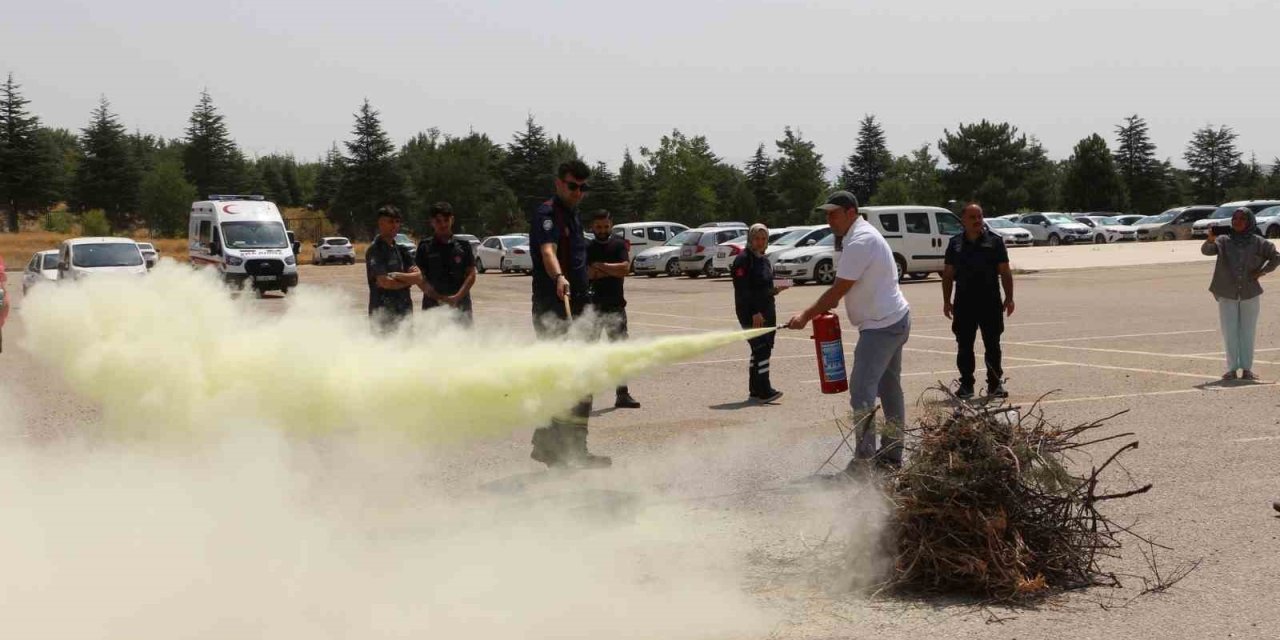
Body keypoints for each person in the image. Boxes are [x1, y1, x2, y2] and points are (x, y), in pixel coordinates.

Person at [786, 191, 911, 471]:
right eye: (827, 214)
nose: (829, 220)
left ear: (851, 212)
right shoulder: (855, 238)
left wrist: (806, 315)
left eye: (834, 213)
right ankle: (891, 456)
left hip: (883, 327)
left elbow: (838, 291)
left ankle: (865, 461)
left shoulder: (861, 240)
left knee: (861, 391)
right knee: (889, 390)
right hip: (893, 320)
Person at [528, 160, 611, 468]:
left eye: (582, 187)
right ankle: (556, 448)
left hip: (578, 307)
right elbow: (548, 251)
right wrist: (559, 277)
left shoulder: (574, 217)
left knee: (580, 381)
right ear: (559, 184)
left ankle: (564, 448)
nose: (578, 192)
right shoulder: (547, 214)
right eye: (573, 185)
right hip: (553, 307)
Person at [941, 203, 1015, 399]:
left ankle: (994, 384)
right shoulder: (955, 243)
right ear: (963, 220)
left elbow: (1005, 271)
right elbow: (948, 274)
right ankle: (966, 385)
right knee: (964, 345)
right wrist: (947, 301)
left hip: (990, 302)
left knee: (993, 344)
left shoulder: (995, 242)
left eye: (979, 216)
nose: (977, 221)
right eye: (972, 217)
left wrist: (1009, 297)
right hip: (964, 303)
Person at [1202, 207, 1280, 381]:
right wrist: (1210, 238)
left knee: (1247, 331)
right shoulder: (1223, 240)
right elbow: (1207, 251)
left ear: (1250, 221)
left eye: (1242, 218)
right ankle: (1231, 369)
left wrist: (1261, 272)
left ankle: (1247, 369)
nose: (1237, 221)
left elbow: (1276, 257)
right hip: (1226, 292)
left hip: (1250, 292)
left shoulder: (1258, 242)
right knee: (1229, 331)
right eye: (1235, 218)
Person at [587, 210, 641, 409]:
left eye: (606, 226)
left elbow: (625, 269)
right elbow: (586, 274)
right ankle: (586, 397)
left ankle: (622, 394)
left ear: (612, 225)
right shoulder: (587, 246)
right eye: (598, 227)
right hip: (591, 309)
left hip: (615, 307)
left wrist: (600, 266)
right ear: (592, 227)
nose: (602, 230)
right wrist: (611, 270)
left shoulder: (618, 244)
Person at [732, 223, 784, 403]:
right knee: (761, 349)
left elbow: (764, 286)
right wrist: (754, 312)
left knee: (760, 349)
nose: (760, 242)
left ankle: (755, 389)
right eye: (757, 238)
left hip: (767, 310)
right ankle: (764, 390)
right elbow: (743, 289)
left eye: (764, 239)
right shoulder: (743, 259)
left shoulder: (763, 259)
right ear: (750, 239)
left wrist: (776, 289)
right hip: (752, 313)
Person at [410, 202, 477, 325]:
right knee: (432, 342)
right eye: (438, 221)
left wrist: (456, 297)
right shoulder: (425, 247)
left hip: (460, 306)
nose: (443, 224)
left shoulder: (464, 246)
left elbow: (471, 275)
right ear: (432, 222)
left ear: (452, 219)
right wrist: (438, 298)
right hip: (433, 307)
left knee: (464, 342)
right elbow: (420, 278)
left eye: (446, 220)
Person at [365, 205, 418, 330]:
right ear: (380, 224)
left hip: (404, 312)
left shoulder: (401, 250)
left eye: (397, 221)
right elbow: (385, 282)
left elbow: (418, 277)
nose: (394, 225)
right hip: (383, 314)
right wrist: (408, 282)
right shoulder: (375, 250)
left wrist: (398, 276)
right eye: (390, 222)